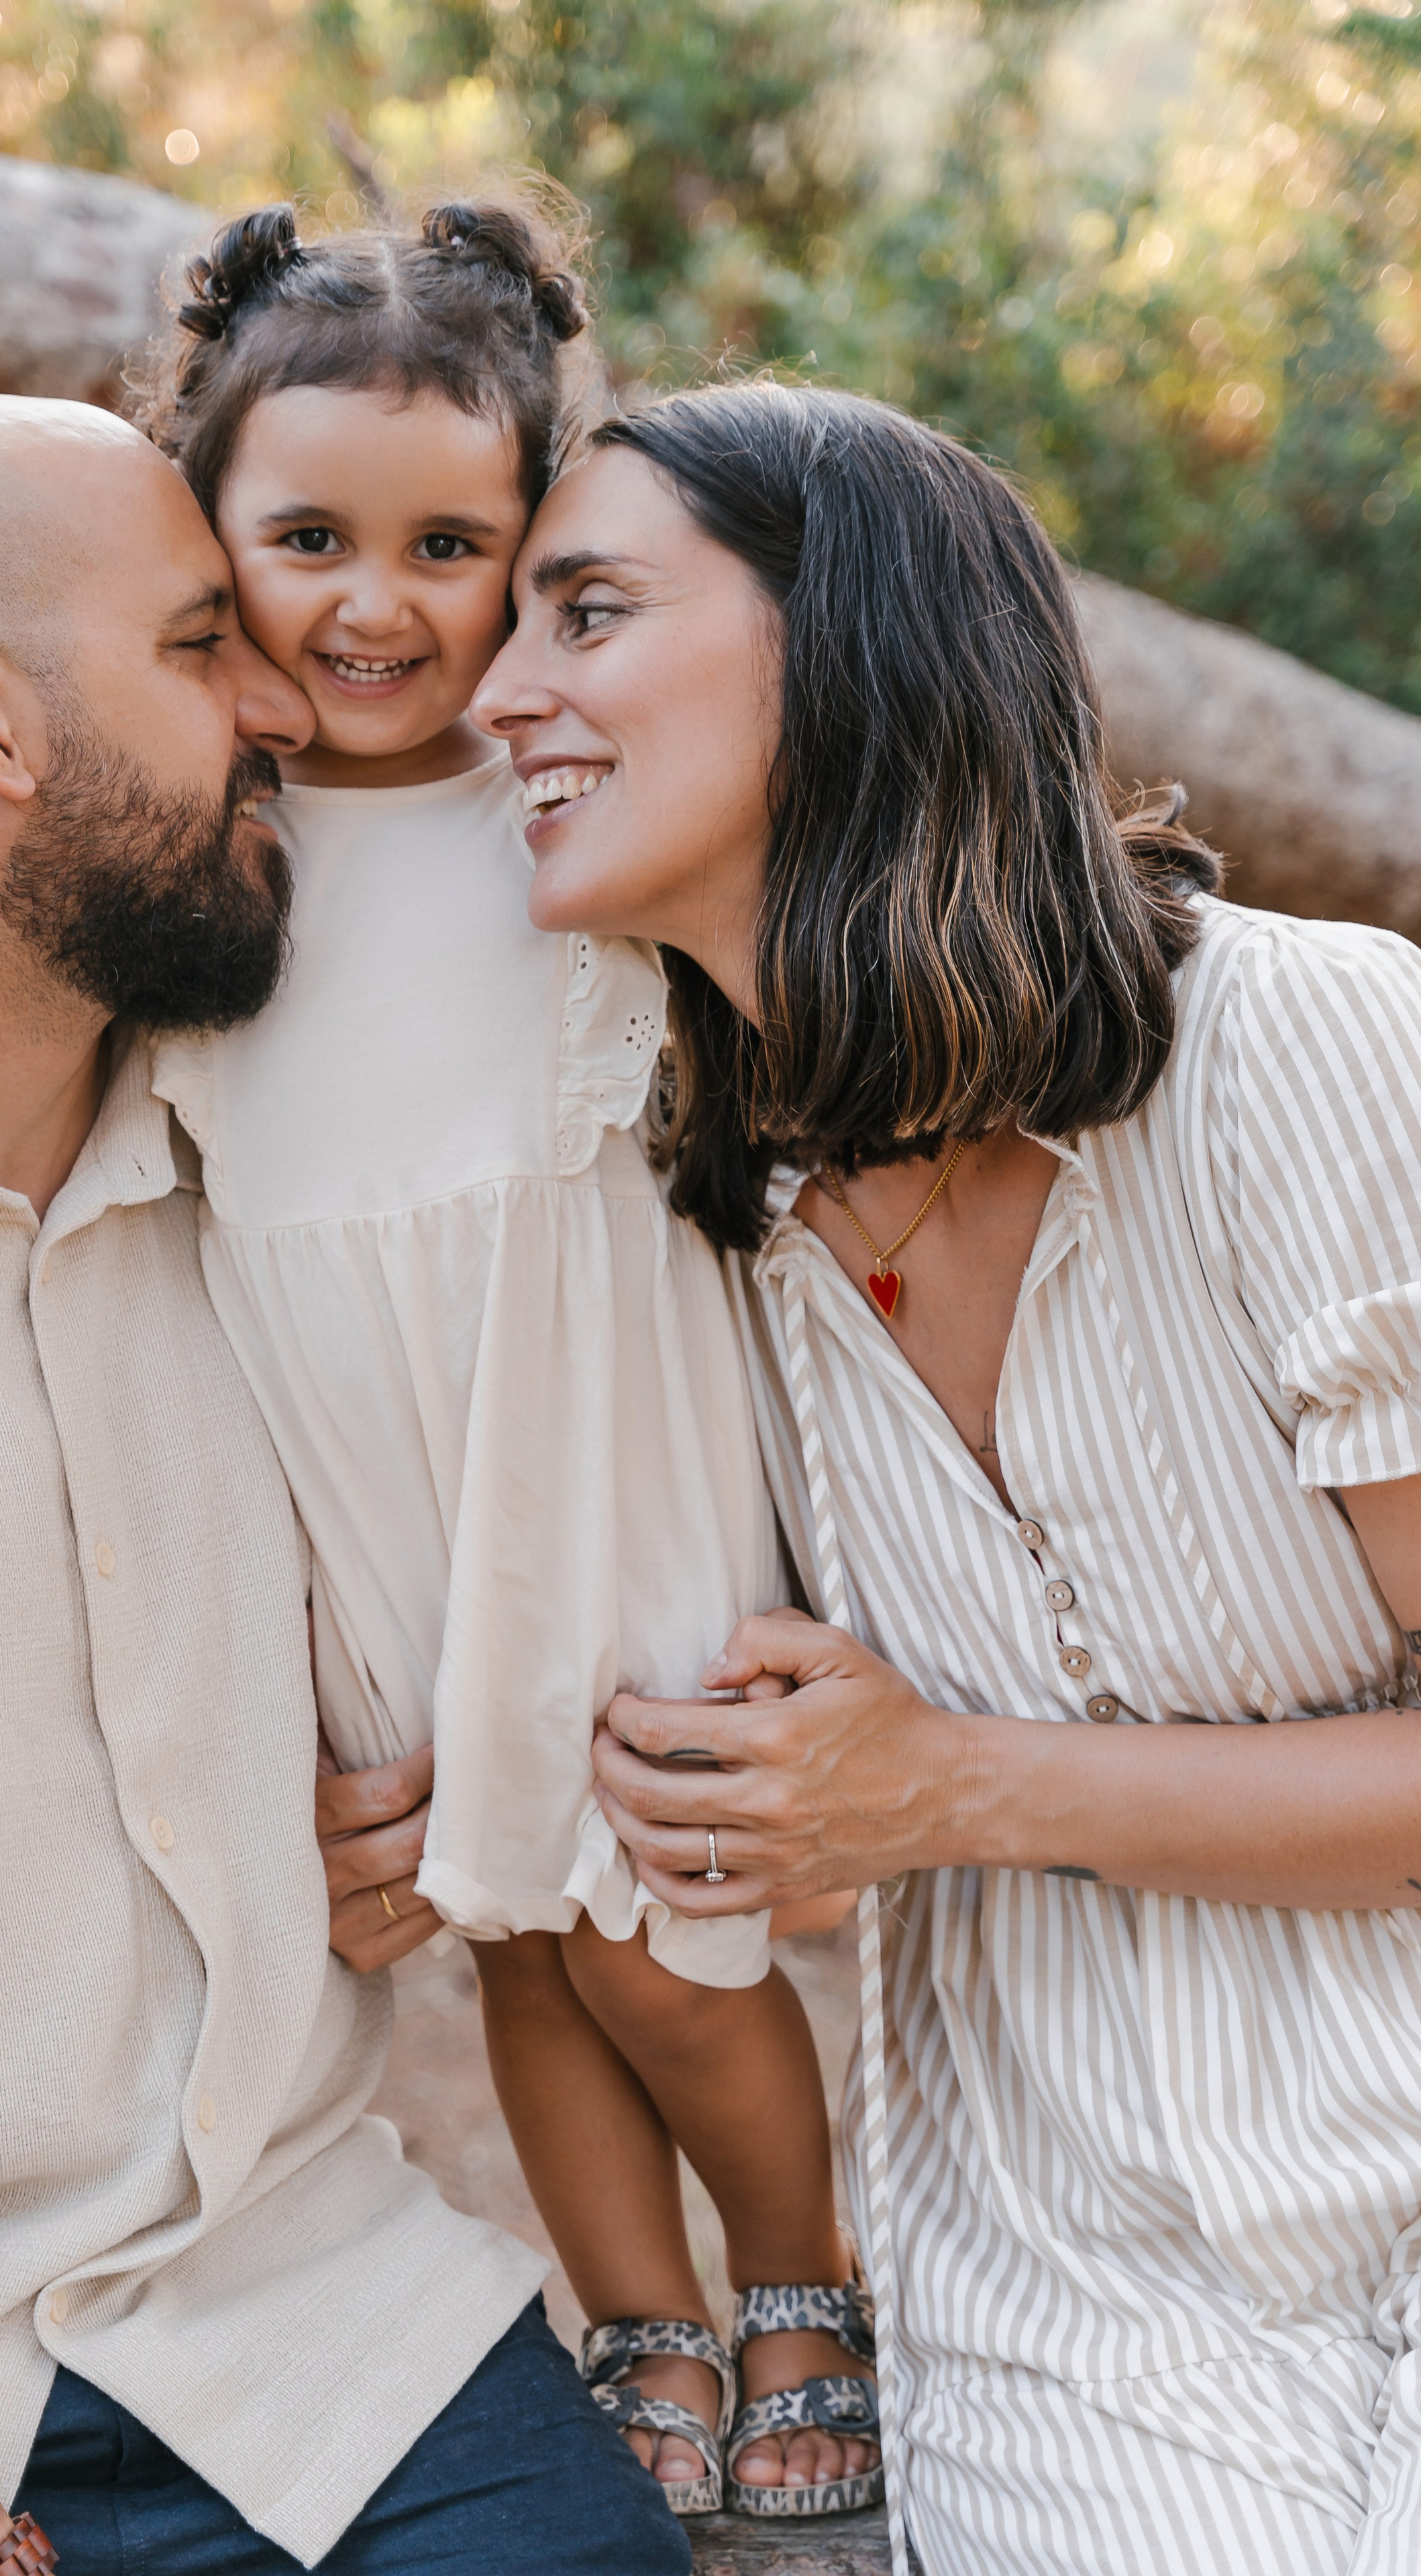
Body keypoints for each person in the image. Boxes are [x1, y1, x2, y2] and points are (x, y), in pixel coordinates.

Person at [0, 204, 877, 2523]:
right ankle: (659, 2317)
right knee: (551, 1957)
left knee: (646, 1949)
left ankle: (791, 2289)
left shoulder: (402, 894)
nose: (323, 648)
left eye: (459, 547)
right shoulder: (161, 968)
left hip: (328, 2270)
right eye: (244, 594)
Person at [466, 379, 1421, 2576]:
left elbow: (916, 1784)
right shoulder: (685, 1217)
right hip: (1067, 2280)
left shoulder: (1304, 1051)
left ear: (853, 642)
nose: (505, 693)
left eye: (586, 611)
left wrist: (957, 1788)